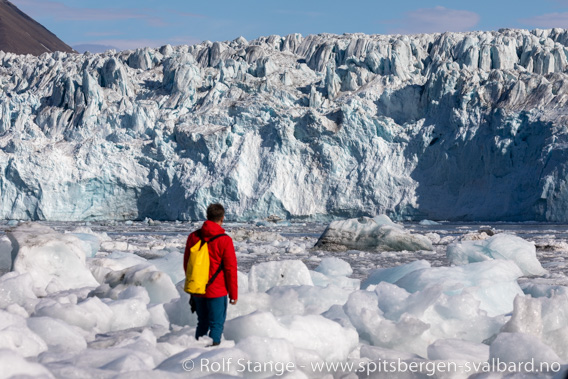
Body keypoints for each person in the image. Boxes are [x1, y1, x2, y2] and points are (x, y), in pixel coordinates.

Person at [183, 203, 238, 346]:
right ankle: (211, 357)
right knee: (216, 324)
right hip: (217, 291)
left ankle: (196, 354)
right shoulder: (225, 240)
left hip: (198, 289)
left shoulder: (193, 237)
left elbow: (187, 264)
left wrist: (194, 283)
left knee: (202, 323)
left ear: (207, 217)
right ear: (222, 218)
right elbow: (230, 269)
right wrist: (233, 293)